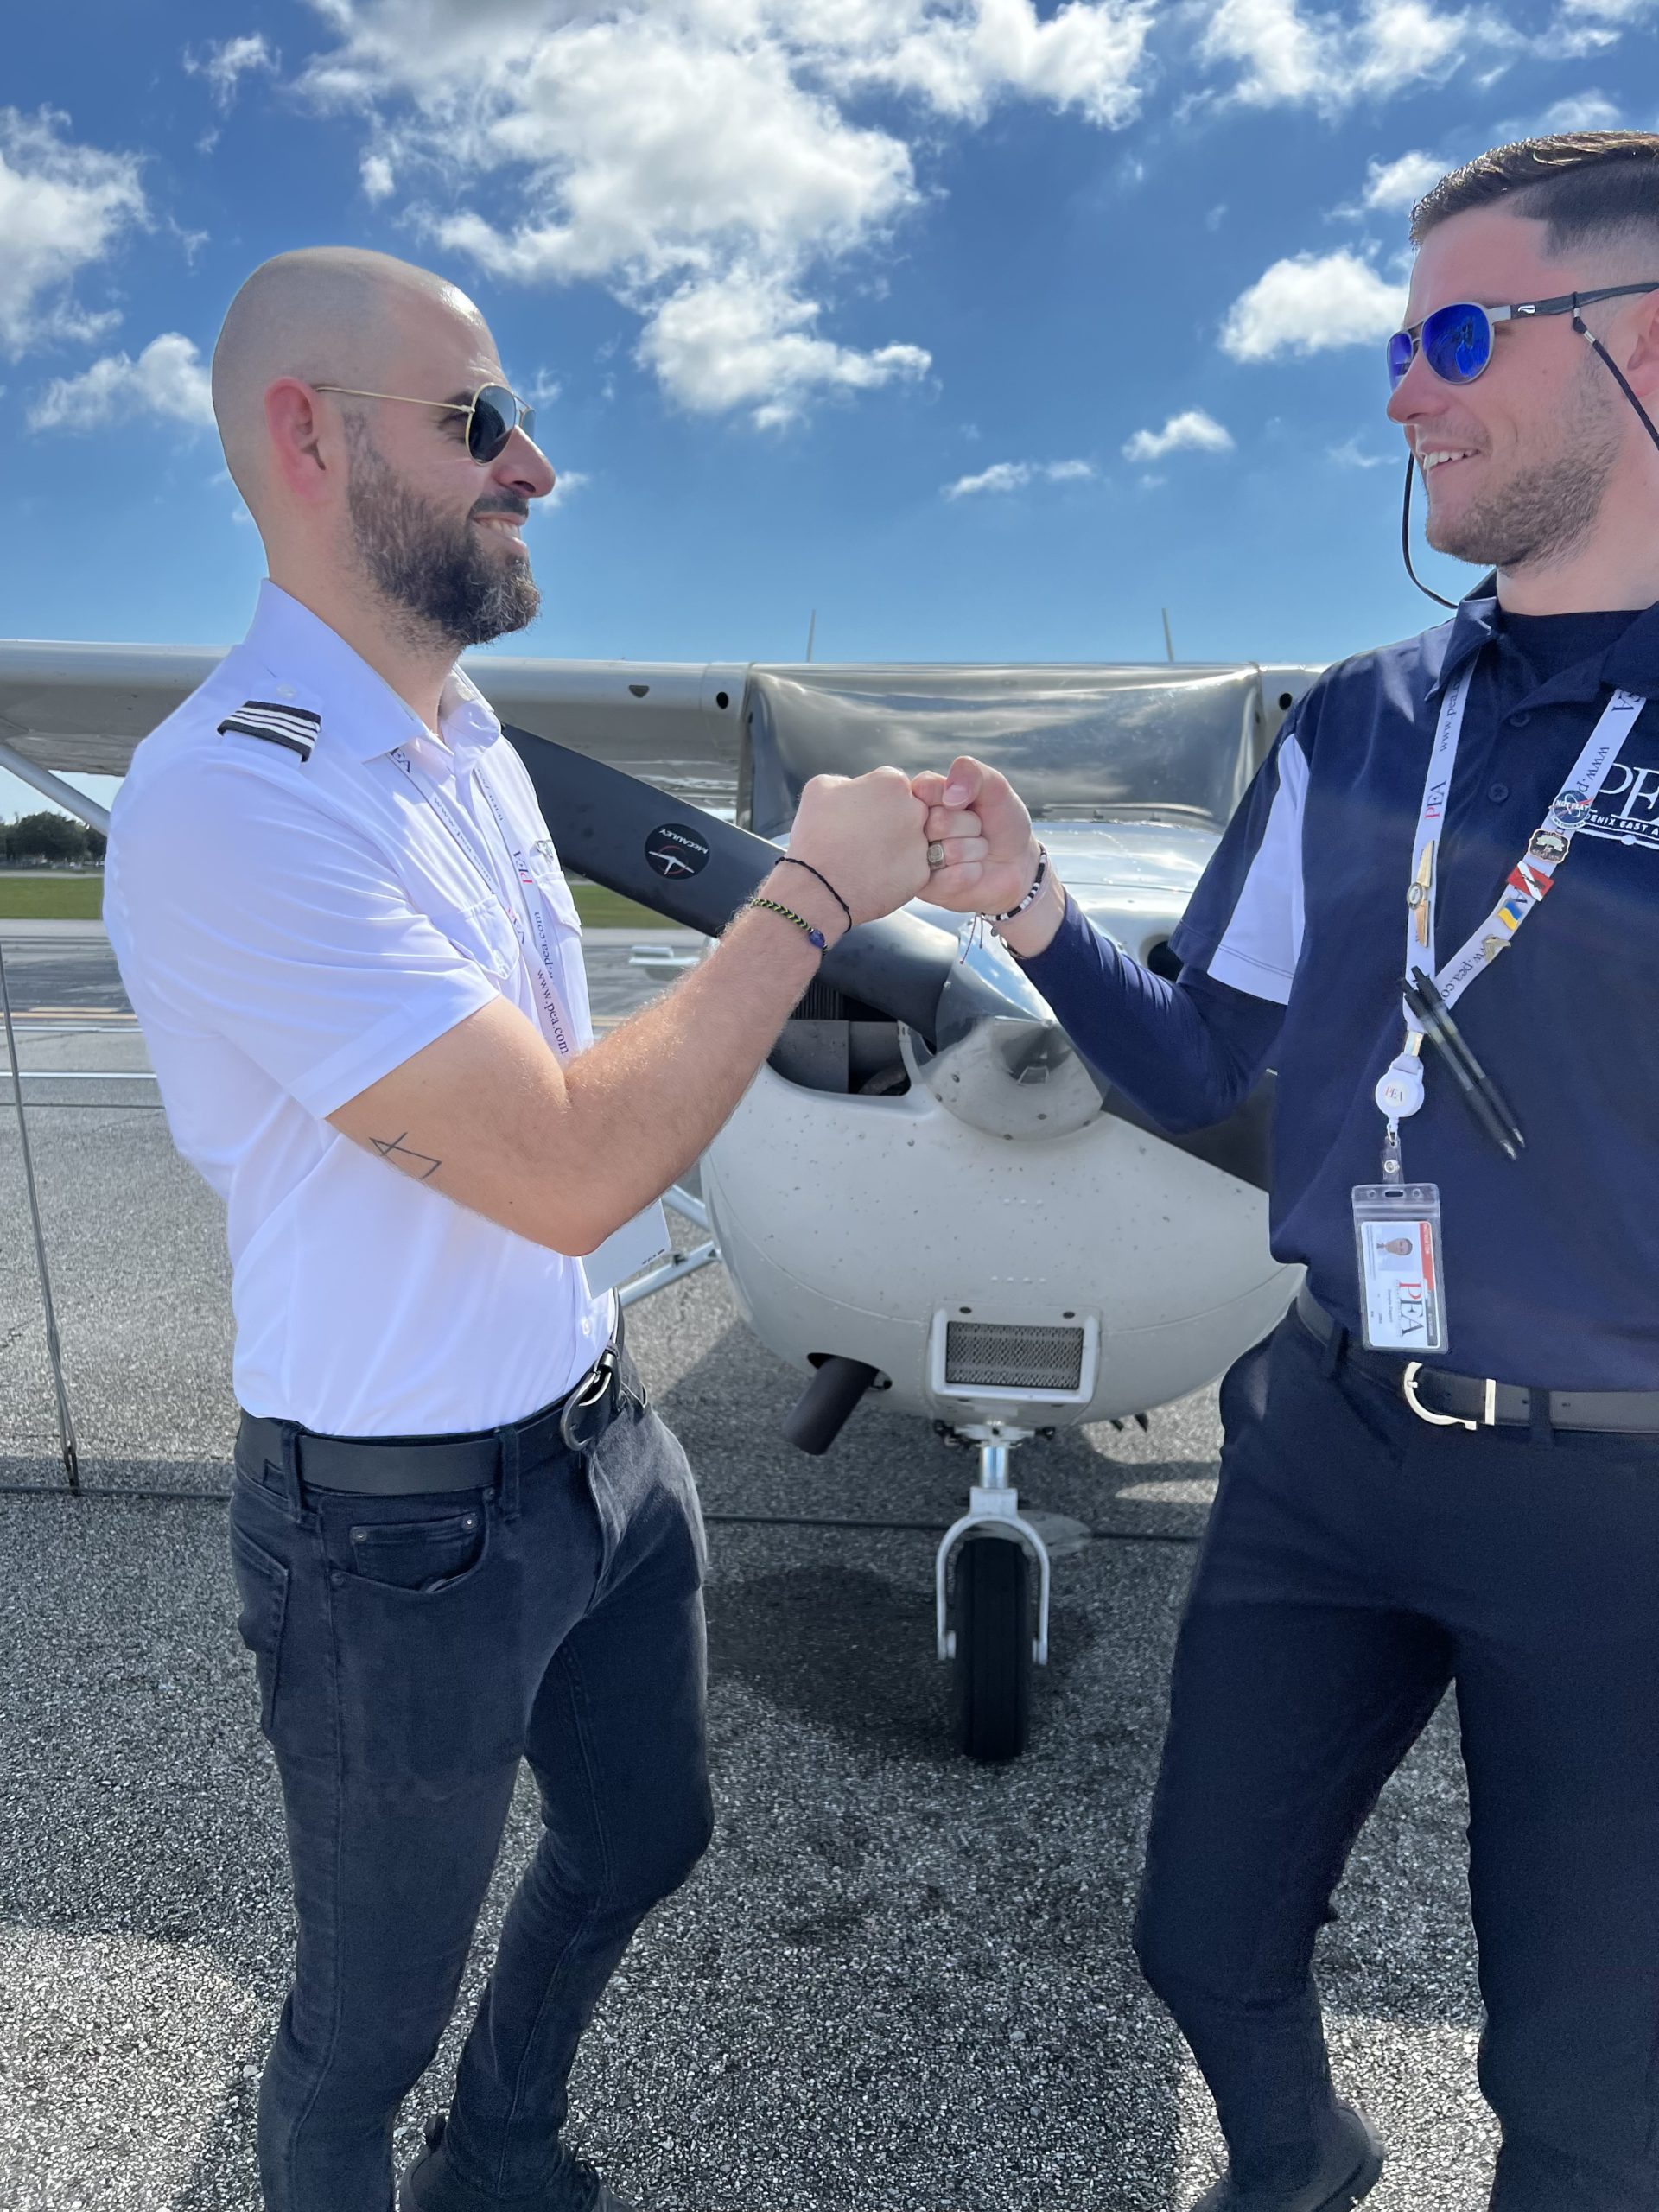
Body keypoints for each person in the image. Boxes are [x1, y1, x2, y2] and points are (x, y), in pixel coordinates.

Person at [103, 247, 958, 2212]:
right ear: (306, 436)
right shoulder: (230, 802)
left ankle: (498, 2150)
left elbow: (589, 1096)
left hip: (599, 1436)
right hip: (391, 1529)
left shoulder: (467, 740)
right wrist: (813, 893)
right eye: (481, 420)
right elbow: (577, 1158)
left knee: (648, 1834)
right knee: (353, 2028)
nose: (538, 464)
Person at [917, 131, 1659, 2212]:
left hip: (1625, 1494)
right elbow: (1196, 1057)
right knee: (1196, 1936)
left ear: (1640, 344)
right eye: (1397, 339)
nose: (1399, 391)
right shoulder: (1354, 724)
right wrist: (1040, 910)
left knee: (1595, 2096)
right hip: (1328, 1432)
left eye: (1452, 333)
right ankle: (1297, 2157)